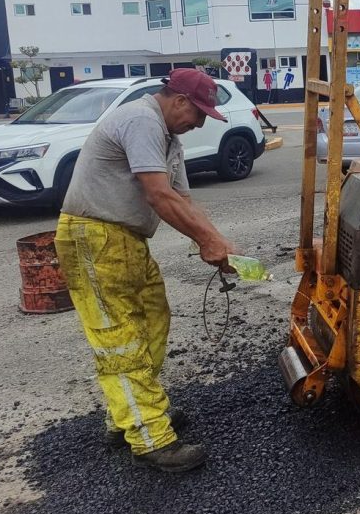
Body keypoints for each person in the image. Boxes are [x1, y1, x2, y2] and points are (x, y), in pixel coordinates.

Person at [53, 69, 236, 473]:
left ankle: (131, 414)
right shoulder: (141, 120)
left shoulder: (169, 140)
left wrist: (217, 241)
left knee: (154, 318)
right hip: (93, 236)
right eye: (200, 113)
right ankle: (151, 437)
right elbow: (157, 194)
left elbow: (182, 200)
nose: (200, 123)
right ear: (179, 101)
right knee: (121, 339)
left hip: (126, 240)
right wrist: (206, 242)